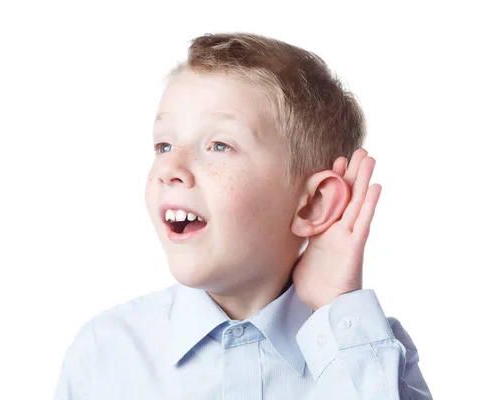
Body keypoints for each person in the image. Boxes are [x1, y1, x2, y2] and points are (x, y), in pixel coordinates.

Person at [53, 32, 432, 399]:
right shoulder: (105, 355)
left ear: (313, 204)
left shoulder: (369, 349)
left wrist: (336, 304)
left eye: (219, 145)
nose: (170, 167)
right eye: (164, 144)